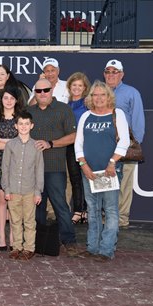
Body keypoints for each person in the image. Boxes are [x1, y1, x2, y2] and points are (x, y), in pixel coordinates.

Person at [75, 80, 130, 262]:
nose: (98, 98)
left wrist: (112, 163)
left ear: (109, 96)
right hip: (89, 172)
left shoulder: (117, 114)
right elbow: (78, 143)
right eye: (95, 95)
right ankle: (92, 247)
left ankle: (106, 250)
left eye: (102, 94)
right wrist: (84, 165)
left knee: (111, 210)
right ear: (90, 98)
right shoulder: (85, 116)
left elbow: (124, 142)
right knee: (92, 209)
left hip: (110, 172)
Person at [28, 78, 78, 257]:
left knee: (60, 205)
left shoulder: (63, 109)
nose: (42, 94)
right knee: (36, 207)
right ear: (35, 92)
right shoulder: (28, 111)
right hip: (32, 169)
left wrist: (51, 143)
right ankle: (40, 242)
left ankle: (69, 241)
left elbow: (73, 136)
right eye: (38, 91)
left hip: (55, 166)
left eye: (46, 90)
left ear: (52, 91)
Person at [103, 59, 145, 228]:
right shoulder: (98, 92)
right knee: (105, 184)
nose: (111, 75)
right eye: (108, 71)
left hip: (125, 146)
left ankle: (121, 220)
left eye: (115, 72)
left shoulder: (131, 93)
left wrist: (134, 145)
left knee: (124, 184)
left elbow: (138, 121)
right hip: (104, 146)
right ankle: (107, 218)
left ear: (122, 74)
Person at [2, 111, 44, 261]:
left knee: (29, 221)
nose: (24, 126)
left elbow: (39, 169)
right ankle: (17, 247)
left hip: (29, 191)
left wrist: (38, 191)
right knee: (15, 220)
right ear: (16, 126)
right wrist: (6, 189)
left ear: (31, 126)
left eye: (27, 124)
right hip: (13, 190)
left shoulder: (36, 146)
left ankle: (29, 248)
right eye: (21, 124)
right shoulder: (10, 145)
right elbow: (5, 168)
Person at [0, 85, 25, 251]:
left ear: (16, 100)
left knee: (14, 202)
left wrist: (3, 142)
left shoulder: (22, 119)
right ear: (0, 100)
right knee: (2, 199)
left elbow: (23, 144)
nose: (8, 101)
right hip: (0, 164)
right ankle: (2, 237)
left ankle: (13, 237)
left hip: (18, 164)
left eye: (12, 98)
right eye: (5, 98)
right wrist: (11, 143)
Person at [65, 72, 91, 224]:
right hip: (70, 146)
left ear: (84, 88)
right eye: (74, 85)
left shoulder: (88, 104)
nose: (76, 88)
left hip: (86, 146)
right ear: (69, 87)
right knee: (75, 179)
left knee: (87, 178)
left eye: (80, 85)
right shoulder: (66, 105)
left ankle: (87, 211)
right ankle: (77, 210)